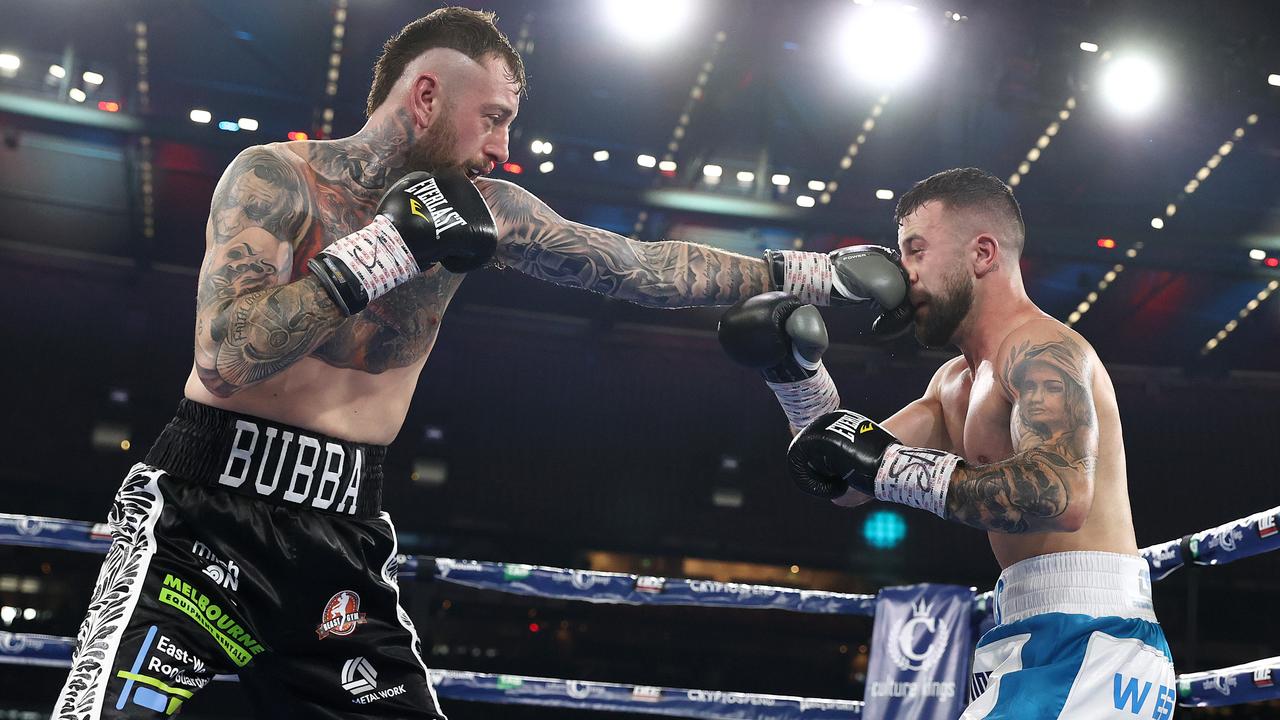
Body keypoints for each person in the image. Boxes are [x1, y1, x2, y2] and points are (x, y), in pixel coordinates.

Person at [54, 7, 912, 719]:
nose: (501, 145)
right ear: (427, 95)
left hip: (341, 531)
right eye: (493, 116)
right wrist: (381, 253)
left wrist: (810, 273)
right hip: (204, 517)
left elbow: (631, 265)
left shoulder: (491, 209)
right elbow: (226, 355)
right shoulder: (275, 178)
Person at [720, 168, 1176, 719]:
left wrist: (888, 467)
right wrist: (796, 378)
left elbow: (1061, 496)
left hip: (1090, 638)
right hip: (1026, 633)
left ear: (982, 254)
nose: (900, 274)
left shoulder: (1044, 349)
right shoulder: (953, 384)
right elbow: (841, 475)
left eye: (915, 251)